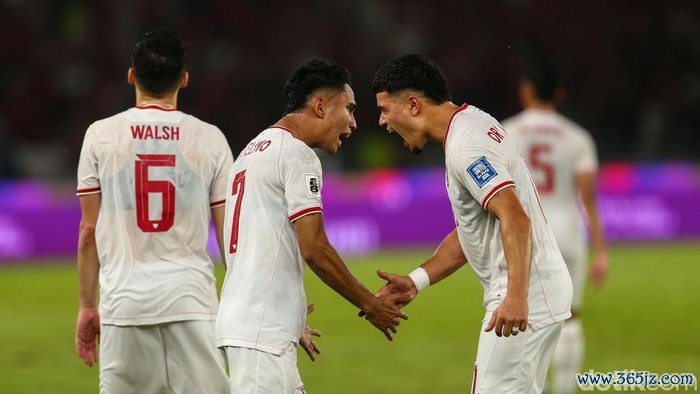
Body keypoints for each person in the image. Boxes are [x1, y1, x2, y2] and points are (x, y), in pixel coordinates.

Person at [370, 54, 573, 393]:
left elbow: (514, 217)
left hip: (524, 294)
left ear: (413, 105)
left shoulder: (466, 148)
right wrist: (416, 281)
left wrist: (516, 296)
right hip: (539, 288)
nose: (382, 122)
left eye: (385, 109)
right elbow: (473, 231)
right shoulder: (471, 121)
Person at [215, 59, 408, 393]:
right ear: (320, 106)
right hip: (261, 335)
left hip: (254, 326)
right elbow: (314, 247)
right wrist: (370, 303)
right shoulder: (297, 155)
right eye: (348, 109)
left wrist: (288, 314)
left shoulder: (250, 152)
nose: (353, 123)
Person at [75, 30, 231, 393]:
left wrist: (87, 306)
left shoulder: (100, 136)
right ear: (184, 79)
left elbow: (88, 231)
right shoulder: (210, 139)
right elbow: (228, 237)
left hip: (124, 305)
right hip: (192, 301)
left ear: (131, 75)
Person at [502, 65, 608, 394]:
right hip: (566, 230)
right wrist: (601, 250)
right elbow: (587, 197)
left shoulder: (504, 132)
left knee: (524, 314)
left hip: (524, 232)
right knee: (570, 317)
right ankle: (563, 389)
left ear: (526, 92)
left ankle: (533, 387)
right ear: (559, 94)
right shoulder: (577, 137)